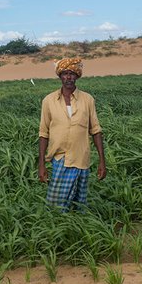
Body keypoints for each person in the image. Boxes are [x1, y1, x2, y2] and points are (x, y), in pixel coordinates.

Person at [38, 57, 106, 210]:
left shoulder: (88, 100)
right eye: (65, 74)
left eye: (72, 74)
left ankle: (76, 231)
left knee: (78, 205)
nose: (68, 77)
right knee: (55, 206)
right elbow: (43, 133)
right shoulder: (48, 101)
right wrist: (41, 164)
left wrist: (102, 161)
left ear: (77, 76)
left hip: (81, 158)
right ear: (60, 76)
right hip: (59, 159)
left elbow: (95, 130)